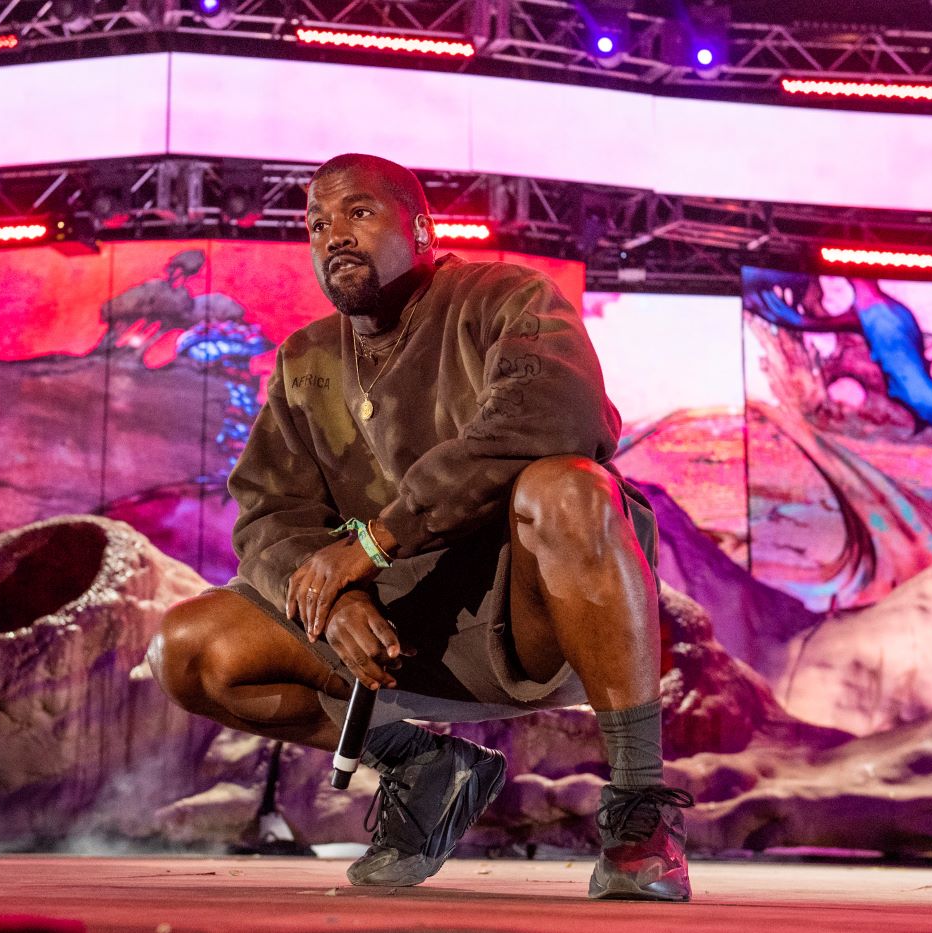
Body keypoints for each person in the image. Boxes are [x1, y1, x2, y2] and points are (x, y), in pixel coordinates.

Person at [152, 153, 694, 901]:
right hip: (394, 633)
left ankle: (640, 812)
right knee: (185, 648)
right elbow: (269, 511)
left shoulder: (504, 299)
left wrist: (376, 541)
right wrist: (332, 601)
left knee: (570, 486)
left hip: (531, 618)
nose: (334, 235)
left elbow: (558, 415)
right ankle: (424, 768)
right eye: (317, 223)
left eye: (358, 213)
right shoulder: (305, 360)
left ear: (421, 230)